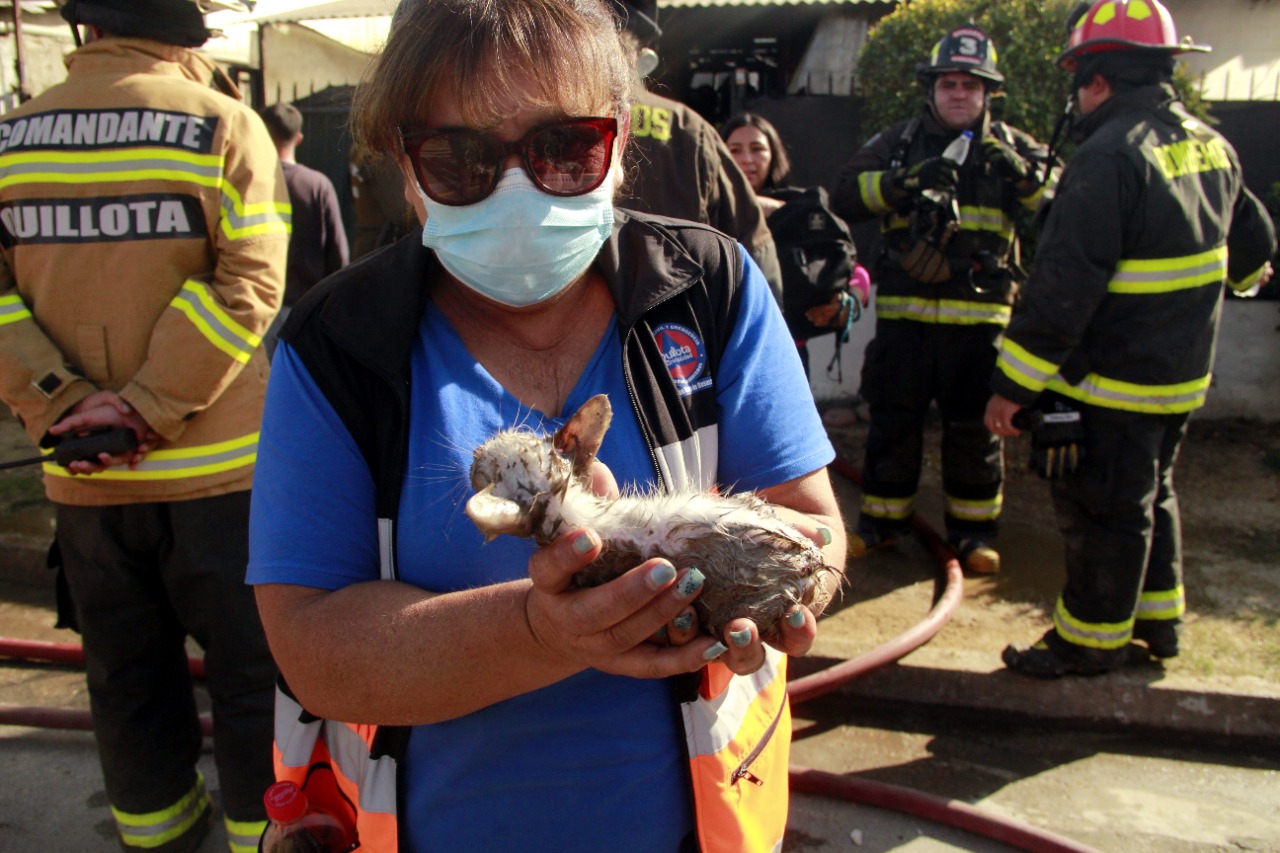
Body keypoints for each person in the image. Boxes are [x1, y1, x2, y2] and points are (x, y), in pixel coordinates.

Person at [246, 1, 846, 851]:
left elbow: (814, 527)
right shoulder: (338, 345)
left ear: (622, 138)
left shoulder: (708, 287)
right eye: (460, 159)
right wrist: (540, 628)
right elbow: (312, 647)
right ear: (405, 165)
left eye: (565, 148)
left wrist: (779, 588)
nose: (518, 187)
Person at [0, 1, 288, 851]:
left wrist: (61, 402)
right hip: (220, 477)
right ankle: (257, 838)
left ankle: (157, 836)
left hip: (83, 480)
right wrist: (148, 406)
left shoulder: (11, 140)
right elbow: (248, 285)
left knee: (124, 678)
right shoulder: (225, 126)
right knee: (250, 681)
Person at [987, 0, 1275, 678]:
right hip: (1179, 378)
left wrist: (1012, 387)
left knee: (1105, 511)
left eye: (1077, 84)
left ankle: (1091, 641)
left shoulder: (1108, 158)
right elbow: (1255, 253)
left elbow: (1062, 289)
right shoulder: (1210, 144)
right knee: (1150, 496)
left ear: (1097, 81)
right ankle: (1158, 625)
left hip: (1114, 382)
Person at [831, 25, 1053, 575]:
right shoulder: (899, 143)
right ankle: (883, 526)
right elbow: (843, 194)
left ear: (987, 95)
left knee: (975, 434)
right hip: (905, 324)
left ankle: (974, 537)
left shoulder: (1015, 147)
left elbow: (1067, 204)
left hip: (981, 329)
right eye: (950, 83)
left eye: (971, 86)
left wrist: (1025, 179)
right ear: (932, 89)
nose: (960, 93)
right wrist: (904, 182)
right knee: (893, 424)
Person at [608, 0, 785, 305]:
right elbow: (754, 243)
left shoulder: (545, 124)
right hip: (679, 330)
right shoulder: (688, 128)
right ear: (644, 53)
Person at [723, 112, 868, 379]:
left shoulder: (798, 211)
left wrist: (849, 303)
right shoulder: (702, 210)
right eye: (735, 150)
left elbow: (855, 272)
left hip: (784, 353)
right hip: (718, 352)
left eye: (757, 149)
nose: (747, 159)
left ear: (773, 155)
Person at [258, 102, 350, 358]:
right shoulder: (316, 185)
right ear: (298, 138)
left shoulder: (249, 182)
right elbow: (339, 254)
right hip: (306, 308)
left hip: (259, 308)